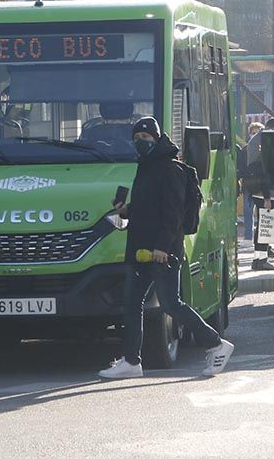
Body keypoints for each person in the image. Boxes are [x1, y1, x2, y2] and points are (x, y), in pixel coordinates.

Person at [99, 116, 234, 380]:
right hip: (141, 250)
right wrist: (126, 211)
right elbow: (150, 209)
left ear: (157, 138)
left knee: (172, 304)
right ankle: (131, 361)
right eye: (137, 138)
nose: (141, 143)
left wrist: (162, 248)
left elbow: (172, 215)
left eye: (145, 138)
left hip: (162, 253)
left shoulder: (171, 169)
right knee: (132, 303)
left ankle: (216, 344)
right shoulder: (146, 167)